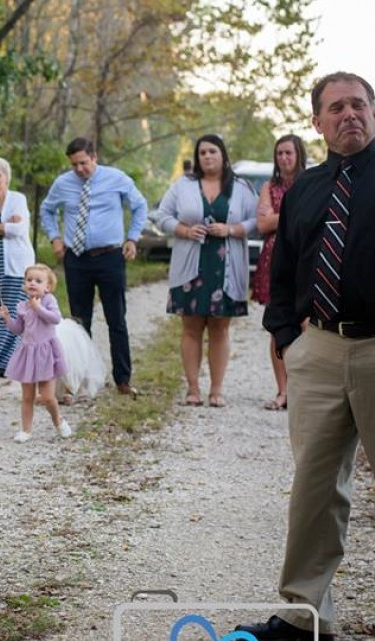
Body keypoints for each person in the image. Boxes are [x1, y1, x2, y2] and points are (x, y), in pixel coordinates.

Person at [237, 71, 375, 641]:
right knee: (315, 488)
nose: (350, 115)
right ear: (317, 122)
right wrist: (287, 338)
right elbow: (286, 269)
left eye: (359, 104)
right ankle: (304, 617)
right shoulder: (306, 189)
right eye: (336, 108)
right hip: (318, 349)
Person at [150, 134, 257, 407]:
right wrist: (183, 230)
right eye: (202, 153)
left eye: (212, 151)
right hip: (191, 267)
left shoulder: (241, 187)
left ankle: (217, 389)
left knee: (220, 329)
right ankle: (193, 388)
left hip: (226, 268)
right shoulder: (183, 186)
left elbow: (257, 220)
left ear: (223, 155)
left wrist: (231, 229)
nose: (207, 156)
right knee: (191, 327)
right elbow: (161, 215)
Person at [39, 137, 148, 396]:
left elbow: (140, 206)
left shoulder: (116, 178)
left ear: (94, 157)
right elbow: (47, 210)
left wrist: (132, 238)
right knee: (79, 321)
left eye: (83, 163)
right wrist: (54, 238)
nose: (79, 169)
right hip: (77, 258)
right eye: (74, 164)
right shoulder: (63, 183)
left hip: (110, 256)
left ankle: (122, 379)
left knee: (116, 318)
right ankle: (80, 380)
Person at [252, 134, 307, 411]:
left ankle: (304, 390)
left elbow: (311, 220)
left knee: (307, 325)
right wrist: (292, 213)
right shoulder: (269, 186)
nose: (284, 158)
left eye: (288, 153)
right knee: (277, 324)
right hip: (273, 260)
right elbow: (262, 225)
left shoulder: (310, 183)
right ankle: (283, 390)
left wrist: (277, 215)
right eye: (279, 153)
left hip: (304, 259)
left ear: (299, 154)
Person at [0, 264, 72, 442]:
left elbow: (55, 319)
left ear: (47, 287)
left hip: (46, 354)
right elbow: (18, 329)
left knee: (47, 397)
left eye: (38, 281)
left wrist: (38, 308)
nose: (32, 283)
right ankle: (26, 430)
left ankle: (58, 421)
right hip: (28, 354)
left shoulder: (48, 301)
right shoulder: (23, 306)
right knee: (27, 396)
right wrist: (7, 318)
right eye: (29, 280)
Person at [0, 157, 34, 376]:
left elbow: (18, 230)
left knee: (13, 311)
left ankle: (7, 364)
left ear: (6, 177)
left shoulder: (18, 199)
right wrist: (2, 225)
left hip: (16, 265)